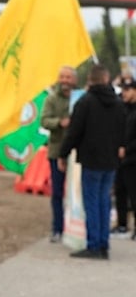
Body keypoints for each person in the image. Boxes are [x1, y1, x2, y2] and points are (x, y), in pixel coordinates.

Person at [58, 64, 125, 259]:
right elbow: (123, 129)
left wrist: (63, 154)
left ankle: (94, 245)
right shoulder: (118, 103)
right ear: (107, 78)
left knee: (92, 202)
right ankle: (103, 244)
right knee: (105, 202)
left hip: (91, 160)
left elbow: (74, 133)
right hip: (111, 161)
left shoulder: (85, 102)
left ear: (90, 79)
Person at [39, 66, 77, 243]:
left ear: (74, 80)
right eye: (62, 77)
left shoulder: (80, 98)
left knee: (76, 193)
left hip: (77, 155)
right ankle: (58, 229)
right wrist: (59, 122)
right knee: (57, 193)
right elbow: (44, 120)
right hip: (56, 152)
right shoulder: (51, 99)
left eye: (68, 77)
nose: (65, 81)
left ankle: (75, 228)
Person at [117, 80, 136, 239]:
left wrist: (127, 149)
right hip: (120, 159)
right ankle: (122, 224)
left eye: (128, 89)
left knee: (134, 194)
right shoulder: (122, 108)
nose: (124, 92)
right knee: (120, 192)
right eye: (123, 89)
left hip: (132, 158)